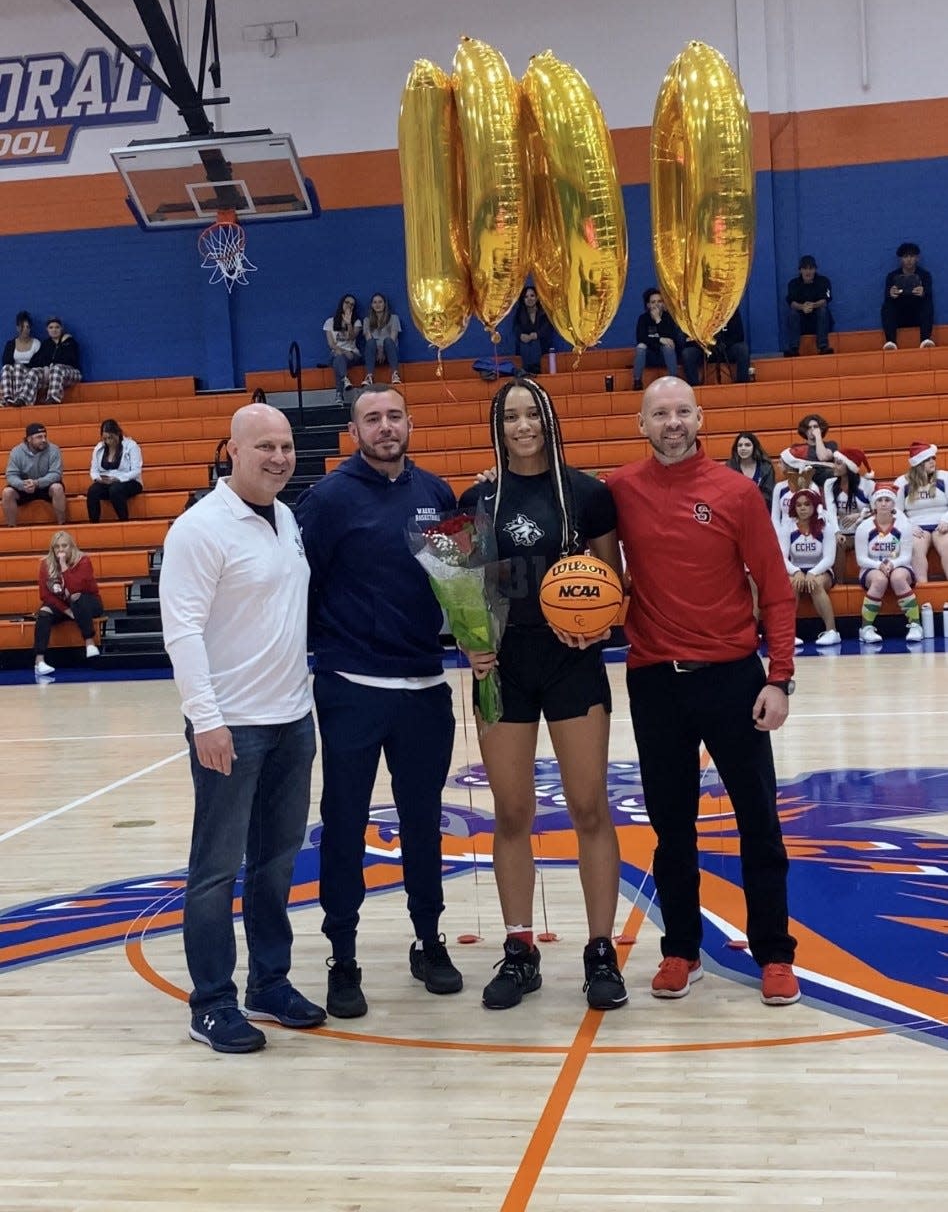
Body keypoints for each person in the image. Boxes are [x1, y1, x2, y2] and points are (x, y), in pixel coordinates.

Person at [606, 376, 800, 1006]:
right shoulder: (620, 491)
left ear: (699, 418)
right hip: (655, 679)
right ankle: (680, 951)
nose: (671, 423)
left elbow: (774, 588)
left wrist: (780, 677)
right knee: (671, 825)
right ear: (642, 424)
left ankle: (774, 953)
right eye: (658, 413)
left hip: (732, 677)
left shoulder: (737, 492)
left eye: (681, 411)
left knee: (758, 820)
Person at [457, 376, 627, 1012]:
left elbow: (613, 580)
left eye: (532, 414)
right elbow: (465, 588)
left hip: (572, 665)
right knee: (510, 814)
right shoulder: (478, 498)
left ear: (550, 422)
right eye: (510, 417)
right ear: (497, 427)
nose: (522, 426)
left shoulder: (588, 494)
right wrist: (468, 642)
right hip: (502, 669)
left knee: (589, 808)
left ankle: (601, 953)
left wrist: (599, 621)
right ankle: (520, 950)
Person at [158, 404, 324, 1054]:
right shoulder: (199, 529)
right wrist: (207, 719)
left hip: (292, 720)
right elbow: (183, 630)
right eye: (265, 447)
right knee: (215, 869)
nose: (280, 457)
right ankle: (211, 1002)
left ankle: (269, 982)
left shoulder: (287, 519)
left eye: (285, 446)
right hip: (232, 727)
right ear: (232, 451)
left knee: (276, 866)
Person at [295, 384, 463, 1019]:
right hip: (353, 688)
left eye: (395, 416)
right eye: (373, 418)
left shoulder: (436, 494)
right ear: (355, 430)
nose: (386, 427)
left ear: (410, 423)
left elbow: (457, 584)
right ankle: (343, 956)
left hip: (423, 687)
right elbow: (301, 590)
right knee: (344, 824)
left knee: (424, 824)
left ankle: (429, 941)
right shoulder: (330, 499)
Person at [855, 485, 922, 643]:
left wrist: (892, 564)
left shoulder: (903, 525)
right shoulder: (864, 527)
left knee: (898, 578)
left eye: (887, 500)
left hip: (899, 564)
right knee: (879, 579)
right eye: (880, 500)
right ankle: (866, 628)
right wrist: (879, 566)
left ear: (893, 504)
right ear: (874, 504)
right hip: (871, 567)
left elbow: (906, 556)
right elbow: (861, 559)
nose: (883, 503)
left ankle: (915, 625)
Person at [33, 530, 103, 676]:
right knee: (44, 612)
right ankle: (39, 661)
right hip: (63, 606)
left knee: (77, 598)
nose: (60, 550)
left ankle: (89, 642)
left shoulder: (83, 561)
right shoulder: (46, 564)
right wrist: (67, 611)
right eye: (57, 547)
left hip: (88, 602)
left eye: (64, 545)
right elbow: (45, 595)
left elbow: (75, 589)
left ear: (71, 546)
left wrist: (64, 566)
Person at [779, 489, 840, 646]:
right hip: (796, 569)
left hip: (821, 569)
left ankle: (832, 631)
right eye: (799, 505)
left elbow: (829, 558)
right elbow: (782, 558)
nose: (803, 508)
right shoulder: (787, 526)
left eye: (807, 504)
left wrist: (812, 572)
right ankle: (789, 634)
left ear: (814, 506)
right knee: (792, 584)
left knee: (816, 584)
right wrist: (796, 571)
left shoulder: (825, 526)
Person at [895, 441, 948, 583]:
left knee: (947, 546)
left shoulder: (944, 477)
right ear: (918, 463)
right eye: (928, 459)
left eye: (933, 458)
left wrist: (946, 520)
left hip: (942, 524)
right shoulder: (902, 482)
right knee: (916, 549)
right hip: (917, 526)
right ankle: (924, 594)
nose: (932, 462)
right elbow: (896, 511)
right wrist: (909, 526)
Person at [823, 448, 875, 582]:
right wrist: (836, 532)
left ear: (849, 466)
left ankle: (868, 580)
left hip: (863, 531)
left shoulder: (868, 485)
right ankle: (838, 583)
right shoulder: (830, 484)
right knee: (837, 543)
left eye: (839, 463)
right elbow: (831, 511)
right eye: (834, 462)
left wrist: (859, 515)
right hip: (842, 531)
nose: (834, 465)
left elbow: (877, 511)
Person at [3, 422, 67, 528]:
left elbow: (56, 473)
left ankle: (62, 525)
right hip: (25, 487)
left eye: (45, 436)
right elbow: (11, 475)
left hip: (46, 486)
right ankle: (12, 527)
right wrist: (22, 484)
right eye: (39, 437)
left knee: (57, 488)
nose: (44, 440)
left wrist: (37, 483)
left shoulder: (54, 449)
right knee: (7, 492)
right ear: (29, 439)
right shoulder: (16, 452)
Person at [86, 419, 144, 523]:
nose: (108, 441)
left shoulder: (131, 446)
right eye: (105, 438)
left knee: (115, 490)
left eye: (111, 438)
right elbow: (93, 470)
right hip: (107, 481)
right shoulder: (99, 448)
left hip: (129, 481)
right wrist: (98, 479)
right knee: (92, 491)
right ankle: (93, 523)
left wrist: (119, 479)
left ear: (118, 434)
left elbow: (136, 470)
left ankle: (123, 521)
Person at [882, 242, 935, 351]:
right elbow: (887, 297)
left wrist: (923, 292)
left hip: (918, 316)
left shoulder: (925, 275)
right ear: (901, 259)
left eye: (912, 256)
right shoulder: (892, 276)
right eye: (905, 256)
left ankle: (925, 340)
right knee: (887, 306)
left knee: (927, 303)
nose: (909, 259)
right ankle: (891, 342)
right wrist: (891, 294)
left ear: (917, 258)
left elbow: (929, 295)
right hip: (899, 317)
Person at [681, 312, 751, 386]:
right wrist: (703, 344)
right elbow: (688, 339)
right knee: (688, 353)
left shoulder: (730, 307)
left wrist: (725, 344)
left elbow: (739, 336)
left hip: (725, 348)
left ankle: (742, 384)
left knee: (743, 349)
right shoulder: (697, 308)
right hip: (703, 349)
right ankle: (694, 387)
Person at [784, 256, 834, 356]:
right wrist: (803, 307)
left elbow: (825, 300)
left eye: (811, 268)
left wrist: (813, 305)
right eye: (805, 268)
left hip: (819, 321)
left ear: (815, 269)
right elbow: (791, 303)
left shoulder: (823, 281)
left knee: (823, 310)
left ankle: (823, 346)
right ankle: (794, 348)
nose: (808, 271)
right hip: (801, 322)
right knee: (792, 313)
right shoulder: (793, 283)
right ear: (800, 270)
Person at [632, 287, 680, 390]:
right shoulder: (643, 318)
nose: (657, 304)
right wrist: (659, 340)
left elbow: (671, 338)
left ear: (663, 304)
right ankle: (637, 381)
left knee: (668, 346)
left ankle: (674, 380)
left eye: (659, 301)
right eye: (653, 302)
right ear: (648, 305)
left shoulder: (668, 317)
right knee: (641, 346)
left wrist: (658, 319)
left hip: (665, 356)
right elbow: (640, 338)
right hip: (649, 356)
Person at [323, 293, 363, 405]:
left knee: (338, 360)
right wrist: (343, 351)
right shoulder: (329, 322)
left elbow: (352, 337)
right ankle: (345, 379)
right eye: (347, 302)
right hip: (338, 352)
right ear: (341, 303)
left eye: (352, 304)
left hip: (352, 355)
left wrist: (349, 323)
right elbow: (331, 344)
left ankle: (339, 394)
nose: (349, 305)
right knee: (338, 356)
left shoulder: (357, 322)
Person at [1, 311, 44, 407]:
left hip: (31, 373)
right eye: (22, 327)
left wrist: (21, 366)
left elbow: (39, 363)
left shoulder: (36, 343)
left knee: (18, 368)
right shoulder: (11, 344)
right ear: (17, 328)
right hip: (15, 373)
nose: (25, 330)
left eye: (27, 327)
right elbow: (6, 361)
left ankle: (22, 399)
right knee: (7, 368)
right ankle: (7, 398)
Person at [35, 317, 82, 404]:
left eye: (57, 327)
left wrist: (60, 344)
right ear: (47, 330)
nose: (54, 330)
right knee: (34, 372)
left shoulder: (69, 342)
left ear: (61, 329)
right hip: (51, 374)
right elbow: (41, 360)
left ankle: (53, 398)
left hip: (71, 373)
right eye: (51, 327)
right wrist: (46, 367)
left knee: (56, 368)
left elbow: (70, 359)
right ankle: (24, 399)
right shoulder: (46, 344)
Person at [511, 286, 554, 376]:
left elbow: (547, 328)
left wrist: (536, 335)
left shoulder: (544, 312)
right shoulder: (519, 312)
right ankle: (525, 372)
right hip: (525, 349)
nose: (529, 299)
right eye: (526, 297)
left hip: (542, 348)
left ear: (537, 297)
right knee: (524, 345)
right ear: (523, 299)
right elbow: (516, 328)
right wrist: (521, 335)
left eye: (532, 296)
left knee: (535, 343)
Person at [771, 447, 818, 530]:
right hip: (784, 534)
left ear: (789, 465)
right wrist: (780, 535)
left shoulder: (812, 487)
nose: (778, 465)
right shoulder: (779, 487)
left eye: (781, 462)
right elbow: (775, 517)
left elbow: (817, 514)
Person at [726, 432, 775, 510]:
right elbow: (727, 493)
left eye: (747, 445)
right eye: (740, 445)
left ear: (754, 447)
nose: (743, 448)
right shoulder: (729, 467)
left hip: (760, 511)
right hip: (737, 512)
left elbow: (769, 495)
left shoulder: (766, 467)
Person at [362, 293, 403, 384]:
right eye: (375, 302)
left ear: (385, 304)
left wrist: (383, 351)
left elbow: (393, 338)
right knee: (371, 342)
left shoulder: (394, 318)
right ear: (372, 305)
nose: (377, 305)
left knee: (388, 341)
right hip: (374, 355)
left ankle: (395, 375)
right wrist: (379, 351)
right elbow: (368, 339)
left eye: (380, 302)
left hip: (390, 353)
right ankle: (369, 376)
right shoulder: (366, 320)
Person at [795, 413, 839, 488]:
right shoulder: (798, 447)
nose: (812, 430)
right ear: (805, 431)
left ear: (821, 429)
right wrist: (827, 464)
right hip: (806, 482)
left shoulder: (831, 444)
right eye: (809, 427)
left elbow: (823, 457)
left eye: (815, 427)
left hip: (827, 482)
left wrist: (818, 436)